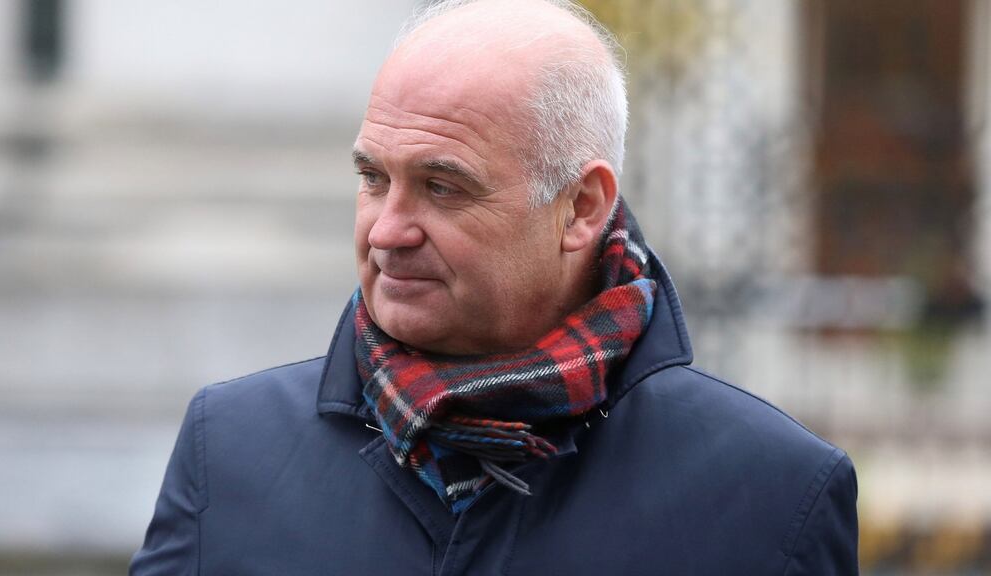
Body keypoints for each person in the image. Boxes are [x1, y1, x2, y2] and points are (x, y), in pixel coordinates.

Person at [131, 0, 859, 574]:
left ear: (580, 208)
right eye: (373, 178)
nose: (387, 229)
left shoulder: (772, 493)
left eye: (442, 187)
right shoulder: (228, 450)